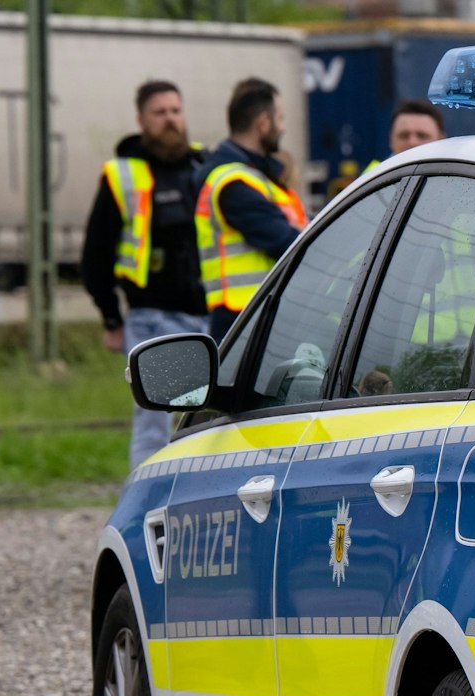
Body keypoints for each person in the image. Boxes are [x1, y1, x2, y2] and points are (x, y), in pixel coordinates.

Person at [79, 80, 207, 468]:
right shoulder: (123, 176)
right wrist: (111, 318)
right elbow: (95, 255)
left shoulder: (205, 166)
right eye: (160, 113)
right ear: (141, 120)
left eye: (175, 111)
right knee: (154, 421)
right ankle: (147, 509)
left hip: (209, 316)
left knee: (205, 422)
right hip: (153, 317)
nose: (170, 120)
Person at [195, 78, 308, 340]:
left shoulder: (255, 176)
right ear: (262, 122)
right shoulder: (234, 184)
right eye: (279, 118)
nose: (283, 128)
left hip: (258, 313)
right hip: (242, 320)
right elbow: (288, 242)